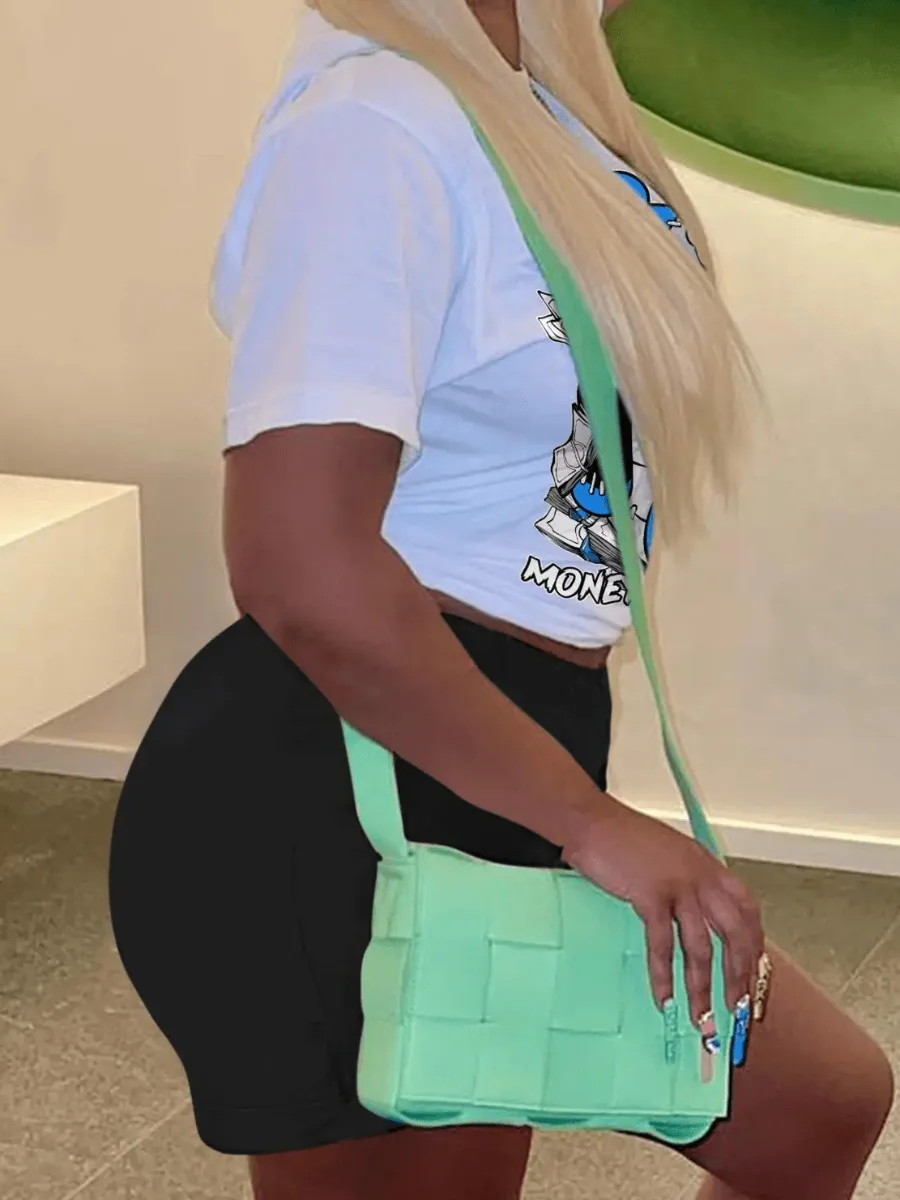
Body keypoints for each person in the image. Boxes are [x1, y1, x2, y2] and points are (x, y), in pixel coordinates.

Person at [107, 2, 893, 1198]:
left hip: (489, 743)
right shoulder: (373, 124)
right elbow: (297, 563)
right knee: (800, 1105)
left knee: (821, 1109)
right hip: (345, 778)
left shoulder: (536, 109)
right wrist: (589, 821)